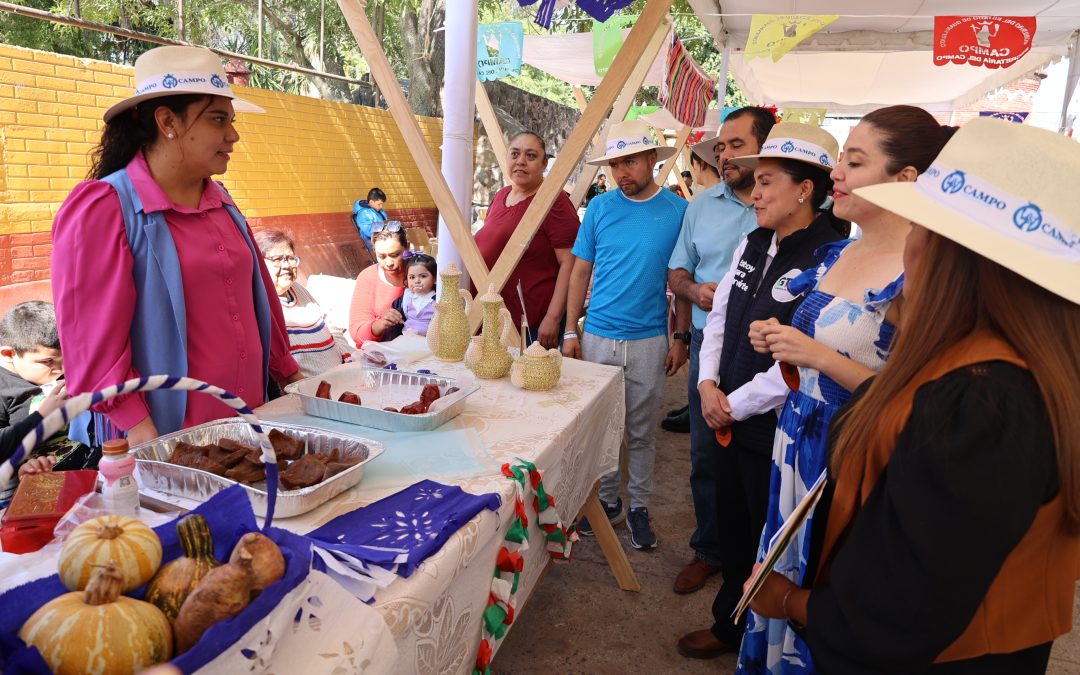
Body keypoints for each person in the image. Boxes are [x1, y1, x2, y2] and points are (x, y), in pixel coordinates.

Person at [748, 118, 1080, 674]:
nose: (909, 246)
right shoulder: (1011, 370)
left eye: (922, 225)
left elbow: (893, 614)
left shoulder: (985, 403)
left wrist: (788, 601)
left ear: (963, 258)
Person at [725, 106, 950, 672]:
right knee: (778, 577)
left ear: (906, 180)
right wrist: (782, 340)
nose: (838, 174)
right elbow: (815, 353)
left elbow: (925, 399)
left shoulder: (924, 270)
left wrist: (817, 355)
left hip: (851, 458)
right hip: (794, 443)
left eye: (854, 161)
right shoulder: (837, 252)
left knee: (829, 598)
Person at [51, 46, 301, 446]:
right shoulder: (105, 207)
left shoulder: (222, 201)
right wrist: (142, 433)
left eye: (231, 121)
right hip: (165, 441)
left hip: (248, 425)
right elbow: (90, 343)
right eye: (219, 120)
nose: (233, 135)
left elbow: (261, 299)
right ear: (167, 121)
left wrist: (288, 375)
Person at [677, 123, 848, 658]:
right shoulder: (754, 241)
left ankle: (760, 639)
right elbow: (721, 315)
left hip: (773, 423)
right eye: (756, 182)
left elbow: (806, 353)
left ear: (805, 190)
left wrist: (734, 404)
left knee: (765, 533)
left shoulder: (832, 254)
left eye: (768, 182)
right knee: (731, 525)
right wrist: (707, 384)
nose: (755, 194)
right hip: (723, 409)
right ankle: (730, 625)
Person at [564, 119, 690, 550]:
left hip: (649, 339)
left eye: (630, 161)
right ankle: (606, 502)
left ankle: (638, 507)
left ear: (652, 160)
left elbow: (683, 276)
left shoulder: (677, 211)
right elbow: (580, 271)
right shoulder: (599, 208)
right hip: (597, 334)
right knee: (602, 427)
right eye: (616, 164)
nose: (622, 172)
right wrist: (569, 330)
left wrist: (681, 337)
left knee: (640, 430)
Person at [667, 107, 776, 593]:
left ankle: (763, 560)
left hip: (771, 362)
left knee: (765, 462)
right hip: (709, 356)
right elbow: (676, 273)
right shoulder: (700, 205)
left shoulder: (791, 209)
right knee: (707, 456)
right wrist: (695, 294)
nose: (723, 154)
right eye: (721, 147)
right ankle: (710, 550)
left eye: (736, 145)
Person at [475, 131, 579, 347]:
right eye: (515, 154)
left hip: (530, 322)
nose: (520, 161)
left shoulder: (555, 201)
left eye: (530, 156)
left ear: (544, 163)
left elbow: (570, 263)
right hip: (494, 317)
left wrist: (553, 318)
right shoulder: (502, 195)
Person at [0, 302, 87, 484]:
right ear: (8, 354)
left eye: (66, 358)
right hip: (23, 489)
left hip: (84, 470)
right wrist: (41, 416)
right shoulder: (4, 388)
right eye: (48, 361)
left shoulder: (60, 367)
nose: (61, 369)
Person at [255, 230, 350, 378]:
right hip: (307, 390)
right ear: (259, 263)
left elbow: (331, 327)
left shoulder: (298, 290)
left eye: (291, 258)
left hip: (340, 377)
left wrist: (349, 359)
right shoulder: (260, 304)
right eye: (277, 259)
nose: (286, 265)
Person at [348, 222, 408, 344]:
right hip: (382, 354)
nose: (389, 263)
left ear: (407, 247)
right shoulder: (368, 277)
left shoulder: (424, 271)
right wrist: (380, 324)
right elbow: (357, 332)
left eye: (395, 255)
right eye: (381, 256)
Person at [383, 252, 437, 340]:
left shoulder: (438, 300)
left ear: (434, 278)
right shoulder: (406, 298)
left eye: (423, 276)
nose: (417, 281)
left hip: (429, 342)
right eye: (412, 277)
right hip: (407, 339)